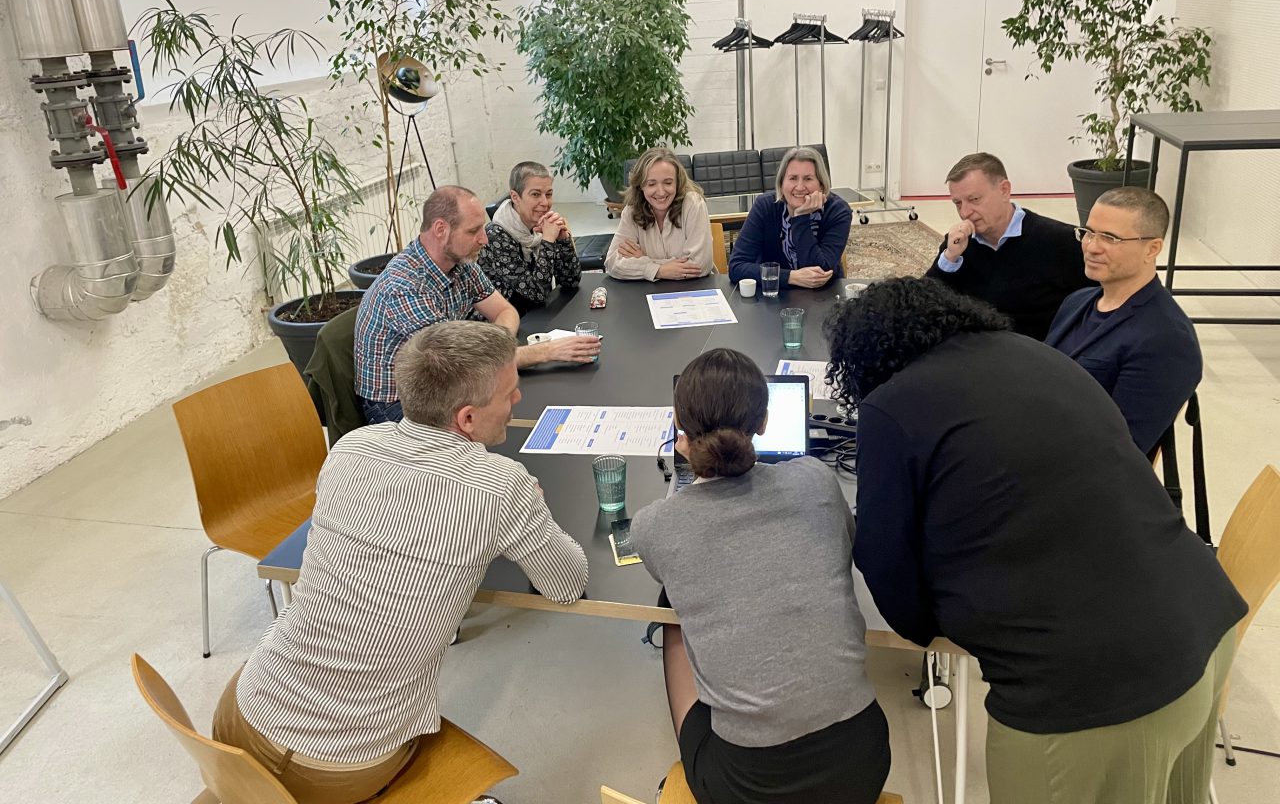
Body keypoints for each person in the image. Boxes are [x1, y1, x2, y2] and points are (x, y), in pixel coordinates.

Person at [824, 277, 1246, 804]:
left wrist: (923, 627)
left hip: (1091, 694)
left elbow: (885, 562)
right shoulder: (1033, 352)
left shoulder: (892, 406)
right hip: (1204, 627)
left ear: (866, 357)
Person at [213, 321, 589, 804]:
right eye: (510, 394)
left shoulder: (350, 448)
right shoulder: (500, 485)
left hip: (238, 718)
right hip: (340, 765)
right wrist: (530, 503)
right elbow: (566, 581)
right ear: (467, 419)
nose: (517, 401)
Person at [630, 349, 890, 804]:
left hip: (746, 788)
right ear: (765, 422)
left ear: (679, 429)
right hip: (863, 763)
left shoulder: (654, 525)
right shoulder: (815, 480)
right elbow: (842, 546)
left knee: (670, 609)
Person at [354, 185, 600, 423]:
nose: (483, 239)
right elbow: (463, 366)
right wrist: (548, 351)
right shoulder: (406, 288)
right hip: (397, 406)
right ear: (441, 229)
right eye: (473, 231)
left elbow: (505, 311)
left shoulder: (461, 263)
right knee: (502, 420)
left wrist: (492, 348)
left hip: (445, 380)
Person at [1047, 187, 1202, 456]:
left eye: (1110, 238)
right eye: (1089, 232)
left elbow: (1120, 451)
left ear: (1151, 249)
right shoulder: (1077, 302)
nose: (1092, 247)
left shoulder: (1167, 340)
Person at [924, 152, 1090, 339]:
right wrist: (949, 258)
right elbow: (924, 300)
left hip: (1036, 353)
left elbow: (1096, 303)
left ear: (1004, 190)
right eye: (957, 203)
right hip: (976, 350)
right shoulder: (959, 244)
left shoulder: (1060, 241)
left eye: (974, 199)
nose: (965, 212)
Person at [728, 146, 851, 290]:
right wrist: (791, 277)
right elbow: (736, 267)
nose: (799, 187)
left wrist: (800, 217)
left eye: (808, 179)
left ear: (822, 186)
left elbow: (819, 273)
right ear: (781, 184)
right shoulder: (766, 206)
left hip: (825, 296)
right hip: (776, 296)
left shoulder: (838, 211)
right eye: (792, 178)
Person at [477, 160, 582, 315]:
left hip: (536, 315)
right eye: (535, 194)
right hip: (504, 325)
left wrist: (562, 240)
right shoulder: (496, 235)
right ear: (515, 197)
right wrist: (548, 241)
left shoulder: (538, 225)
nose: (545, 203)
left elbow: (570, 281)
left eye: (549, 194)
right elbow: (537, 294)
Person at [604, 147, 715, 281]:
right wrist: (660, 270)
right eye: (651, 184)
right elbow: (611, 262)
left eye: (668, 183)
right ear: (640, 185)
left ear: (677, 182)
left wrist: (643, 261)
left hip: (695, 289)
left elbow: (699, 265)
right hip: (649, 293)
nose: (661, 192)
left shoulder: (694, 204)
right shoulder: (631, 210)